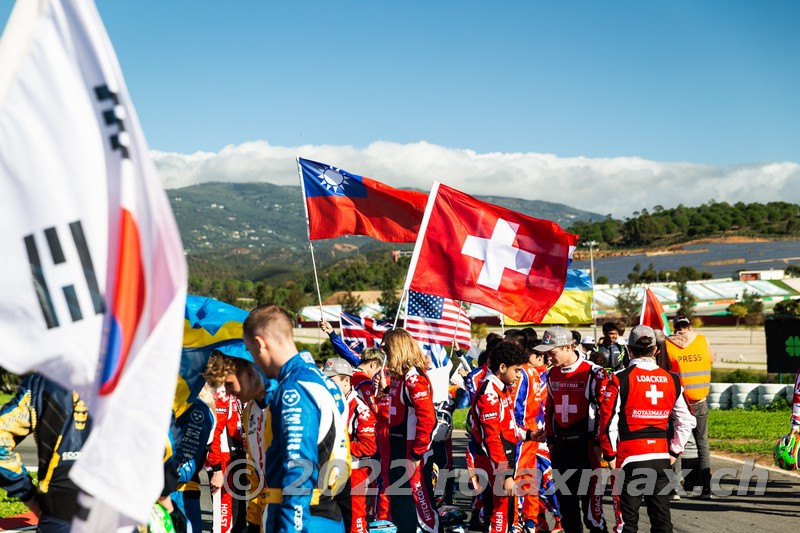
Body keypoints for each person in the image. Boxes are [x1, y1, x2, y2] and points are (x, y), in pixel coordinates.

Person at [243, 304, 350, 532]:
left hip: (301, 515)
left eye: (251, 352)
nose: (254, 361)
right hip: (324, 510)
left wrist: (291, 527)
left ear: (260, 344)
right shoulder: (324, 381)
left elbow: (299, 467)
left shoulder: (294, 389)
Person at [598, 325, 696, 532]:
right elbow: (687, 420)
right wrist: (674, 451)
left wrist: (610, 455)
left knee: (628, 523)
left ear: (629, 349)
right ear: (656, 350)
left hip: (629, 457)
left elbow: (607, 422)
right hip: (661, 458)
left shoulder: (618, 379)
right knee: (662, 520)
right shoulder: (673, 379)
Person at [0, 373, 91, 532]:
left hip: (58, 510)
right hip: (116, 507)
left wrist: (27, 494)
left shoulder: (43, 381)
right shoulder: (132, 373)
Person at [539, 326, 609, 533]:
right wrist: (551, 442)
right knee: (567, 511)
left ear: (568, 347)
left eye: (552, 353)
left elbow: (606, 412)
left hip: (586, 448)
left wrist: (600, 444)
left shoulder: (593, 372)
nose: (549, 358)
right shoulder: (551, 375)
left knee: (592, 515)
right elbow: (549, 411)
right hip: (561, 448)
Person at [470, 340, 543, 532]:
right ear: (502, 367)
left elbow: (509, 427)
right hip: (495, 465)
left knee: (508, 517)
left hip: (504, 461)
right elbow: (491, 439)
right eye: (517, 370)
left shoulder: (502, 390)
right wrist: (505, 475)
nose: (519, 376)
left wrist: (530, 434)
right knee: (499, 519)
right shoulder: (489, 394)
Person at [203, 349, 277, 533]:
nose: (228, 391)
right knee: (227, 520)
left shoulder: (273, 398)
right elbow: (215, 432)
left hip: (243, 459)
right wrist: (217, 468)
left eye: (230, 384)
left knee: (234, 517)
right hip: (229, 462)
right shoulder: (239, 401)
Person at [379, 328, 439, 533]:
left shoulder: (414, 378)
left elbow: (428, 418)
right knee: (402, 505)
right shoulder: (400, 376)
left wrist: (416, 452)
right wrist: (385, 390)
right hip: (397, 447)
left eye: (387, 351)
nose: (385, 356)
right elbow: (402, 406)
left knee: (421, 504)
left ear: (397, 349)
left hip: (411, 451)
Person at [323, 357, 378, 533]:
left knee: (355, 521)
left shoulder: (359, 408)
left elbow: (369, 446)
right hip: (333, 471)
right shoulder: (330, 404)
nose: (326, 385)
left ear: (346, 380)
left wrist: (337, 447)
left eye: (331, 380)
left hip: (356, 472)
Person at [664, 315, 715, 498]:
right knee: (703, 444)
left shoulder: (667, 343)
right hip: (700, 400)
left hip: (678, 402)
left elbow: (663, 369)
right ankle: (706, 488)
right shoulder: (702, 340)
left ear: (675, 327)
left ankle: (675, 489)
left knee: (675, 443)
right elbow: (711, 360)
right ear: (690, 327)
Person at [508, 332, 551, 531]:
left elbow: (512, 404)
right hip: (532, 428)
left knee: (517, 476)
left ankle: (516, 521)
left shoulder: (520, 372)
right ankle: (531, 521)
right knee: (529, 477)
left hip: (521, 429)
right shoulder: (533, 371)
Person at [165, 387, 216, 533]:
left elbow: (185, 467)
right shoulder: (185, 403)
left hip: (179, 493)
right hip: (172, 490)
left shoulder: (197, 409)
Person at [206, 380, 246, 532]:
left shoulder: (235, 386)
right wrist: (216, 467)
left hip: (237, 455)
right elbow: (215, 430)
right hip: (223, 456)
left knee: (238, 516)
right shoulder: (221, 390)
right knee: (223, 519)